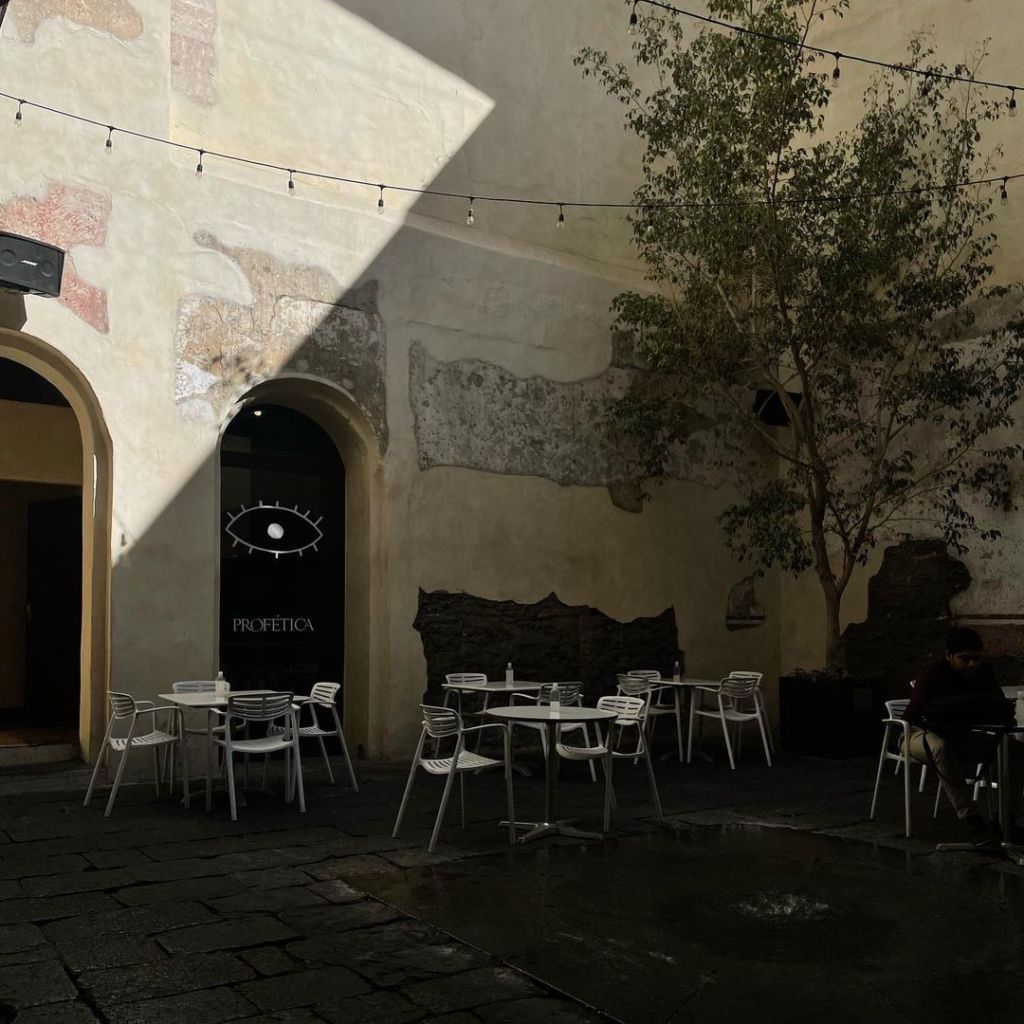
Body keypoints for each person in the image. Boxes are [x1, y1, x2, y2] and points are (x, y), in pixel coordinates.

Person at [905, 627, 1022, 837]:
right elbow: (914, 714)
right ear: (948, 655)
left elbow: (997, 704)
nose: (972, 664)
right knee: (941, 747)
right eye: (965, 658)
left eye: (976, 658)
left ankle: (1006, 818)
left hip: (961, 735)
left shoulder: (982, 672)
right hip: (916, 734)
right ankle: (971, 818)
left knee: (1014, 750)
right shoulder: (933, 673)